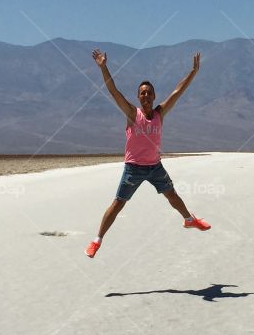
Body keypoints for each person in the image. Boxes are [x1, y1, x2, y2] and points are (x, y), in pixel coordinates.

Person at [85, 48, 211, 258]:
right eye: (142, 92)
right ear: (138, 96)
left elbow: (177, 92)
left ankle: (189, 220)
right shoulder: (132, 114)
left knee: (172, 195)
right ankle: (97, 240)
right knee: (118, 203)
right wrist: (103, 67)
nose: (145, 95)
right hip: (133, 168)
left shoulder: (160, 113)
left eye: (149, 93)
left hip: (154, 167)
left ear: (154, 96)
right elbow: (113, 91)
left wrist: (193, 72)